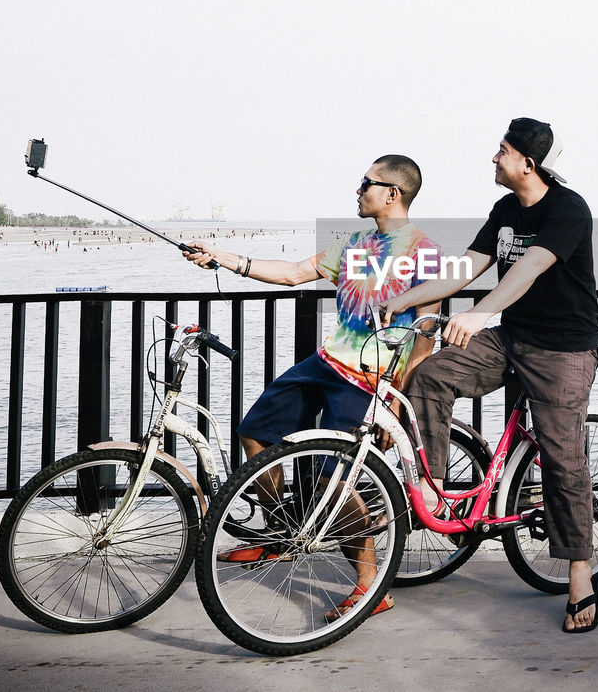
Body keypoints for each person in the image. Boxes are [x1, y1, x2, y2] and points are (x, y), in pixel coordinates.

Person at [184, 154, 440, 620]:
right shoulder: (356, 244)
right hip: (326, 363)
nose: (358, 190)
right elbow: (291, 273)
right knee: (256, 434)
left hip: (370, 378)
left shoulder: (425, 252)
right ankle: (283, 534)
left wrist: (396, 399)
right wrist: (223, 259)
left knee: (332, 479)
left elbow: (425, 334)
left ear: (392, 193)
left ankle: (370, 586)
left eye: (367, 183)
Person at [380, 118, 598, 634]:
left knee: (561, 455)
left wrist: (478, 314)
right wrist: (404, 300)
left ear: (528, 161)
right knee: (430, 378)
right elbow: (469, 265)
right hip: (512, 338)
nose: (493, 158)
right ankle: (431, 493)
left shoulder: (568, 210)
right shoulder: (504, 210)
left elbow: (529, 269)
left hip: (562, 349)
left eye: (501, 151)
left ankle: (579, 570)